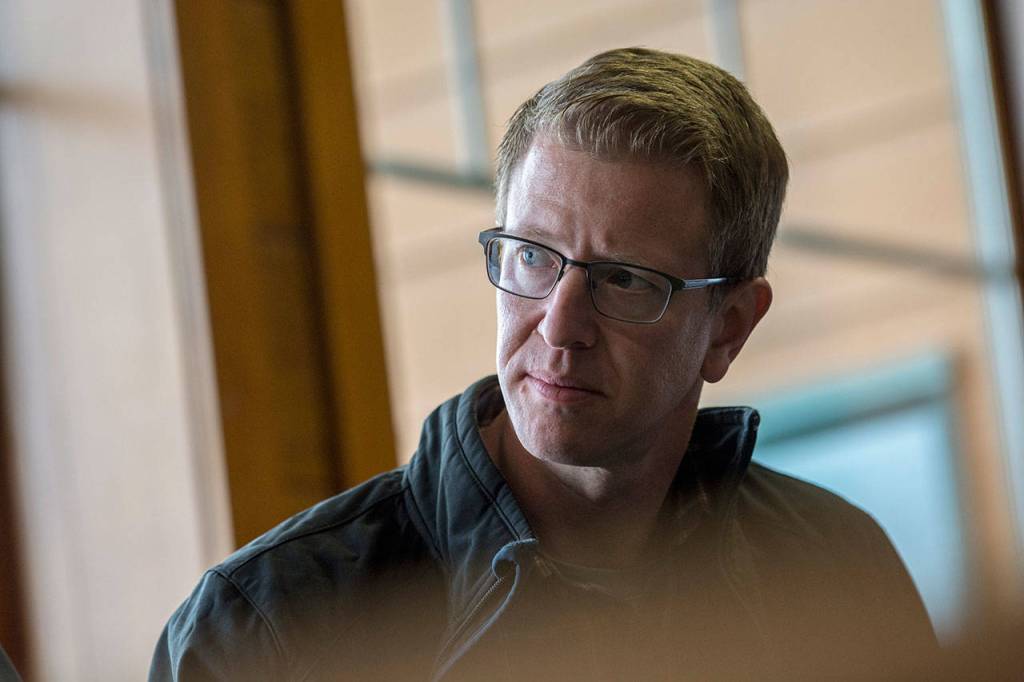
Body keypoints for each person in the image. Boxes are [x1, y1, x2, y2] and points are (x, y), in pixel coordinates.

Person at [150, 47, 935, 681]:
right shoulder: (269, 625)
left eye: (624, 280)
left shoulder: (837, 573)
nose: (560, 326)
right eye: (532, 255)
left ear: (727, 329)